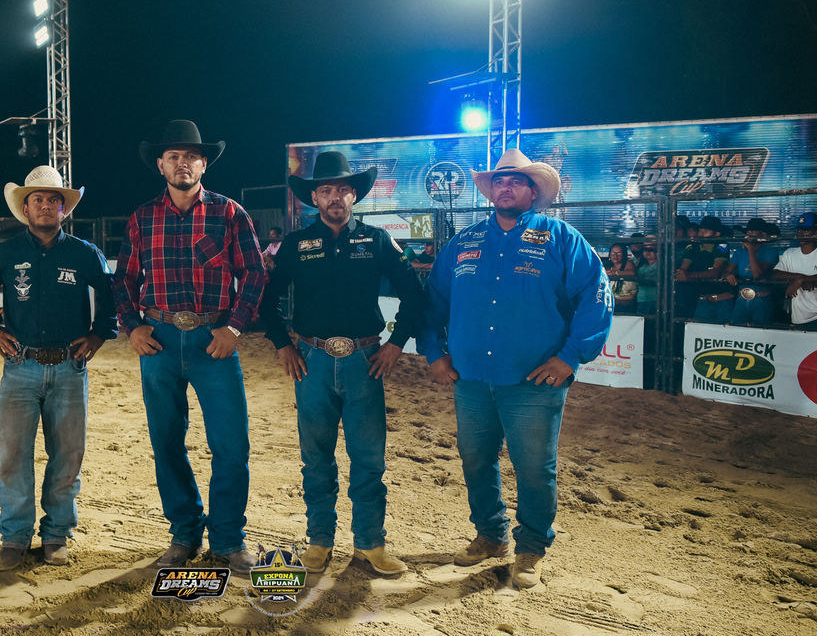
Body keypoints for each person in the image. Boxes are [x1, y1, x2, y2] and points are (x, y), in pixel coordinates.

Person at [418, 149, 612, 589]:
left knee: (534, 467)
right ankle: (491, 535)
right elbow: (432, 303)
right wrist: (433, 352)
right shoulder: (462, 243)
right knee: (475, 459)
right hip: (470, 377)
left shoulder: (562, 239)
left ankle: (531, 548)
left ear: (533, 191)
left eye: (516, 180)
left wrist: (570, 356)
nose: (505, 186)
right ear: (491, 191)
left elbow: (596, 297)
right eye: (499, 180)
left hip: (533, 380)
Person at [259, 151, 427, 577]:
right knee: (316, 458)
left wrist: (396, 344)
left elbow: (415, 294)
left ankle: (370, 544)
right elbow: (266, 300)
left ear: (355, 195)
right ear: (314, 197)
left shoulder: (377, 240)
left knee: (369, 459)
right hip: (311, 361)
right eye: (326, 190)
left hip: (365, 361)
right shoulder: (295, 244)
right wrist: (282, 345)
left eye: (343, 189)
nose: (335, 196)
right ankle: (319, 541)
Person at [113, 120, 267, 574]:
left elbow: (255, 273)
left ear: (204, 164)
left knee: (231, 445)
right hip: (158, 341)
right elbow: (123, 279)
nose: (183, 163)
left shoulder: (229, 213)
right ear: (161, 165)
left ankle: (227, 538)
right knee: (166, 443)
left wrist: (234, 327)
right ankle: (184, 533)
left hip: (213, 340)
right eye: (174, 157)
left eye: (192, 156)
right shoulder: (143, 218)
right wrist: (132, 327)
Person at [0, 166, 118, 571]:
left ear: (63, 209)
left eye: (54, 199)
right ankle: (15, 537)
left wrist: (99, 334)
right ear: (25, 207)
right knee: (12, 455)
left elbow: (112, 296)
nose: (45, 205)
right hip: (20, 366)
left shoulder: (85, 253)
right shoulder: (4, 253)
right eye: (37, 199)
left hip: (70, 367)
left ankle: (56, 534)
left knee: (68, 455)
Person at [773, 212, 817, 328]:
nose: (800, 233)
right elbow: (775, 274)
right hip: (800, 316)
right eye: (799, 229)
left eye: (805, 230)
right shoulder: (790, 253)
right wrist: (801, 279)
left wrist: (803, 280)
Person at [677, 216, 731, 323]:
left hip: (722, 299)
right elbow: (683, 268)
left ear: (717, 234)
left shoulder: (722, 245)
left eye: (706, 231)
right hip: (702, 299)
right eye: (700, 230)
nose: (701, 234)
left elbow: (715, 272)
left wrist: (690, 275)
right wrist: (681, 274)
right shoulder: (693, 247)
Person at [726, 217, 779, 326]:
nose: (749, 234)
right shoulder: (740, 252)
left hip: (762, 298)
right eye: (748, 231)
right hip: (741, 297)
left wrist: (751, 249)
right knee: (735, 329)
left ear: (763, 234)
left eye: (753, 232)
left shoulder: (771, 251)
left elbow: (757, 274)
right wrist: (728, 275)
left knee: (761, 331)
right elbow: (726, 271)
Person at [605, 243, 638, 315]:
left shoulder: (629, 263)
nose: (615, 256)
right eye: (613, 253)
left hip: (628, 305)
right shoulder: (609, 268)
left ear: (624, 254)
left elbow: (632, 272)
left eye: (619, 253)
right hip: (612, 305)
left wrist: (616, 273)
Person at [636, 236, 660, 316]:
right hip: (641, 300)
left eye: (651, 249)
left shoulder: (662, 266)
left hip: (655, 301)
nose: (647, 252)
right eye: (645, 249)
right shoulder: (641, 267)